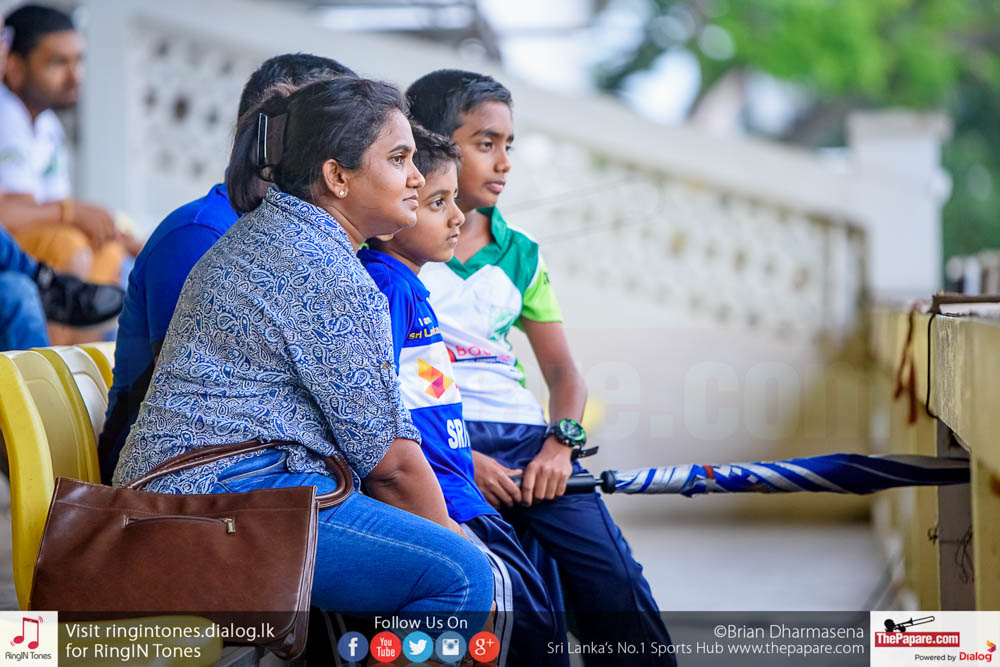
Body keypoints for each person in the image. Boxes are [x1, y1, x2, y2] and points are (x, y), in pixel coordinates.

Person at [112, 77, 493, 625]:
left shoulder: (275, 236)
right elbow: (391, 466)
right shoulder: (322, 269)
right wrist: (456, 539)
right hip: (210, 505)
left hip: (207, 492)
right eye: (399, 158)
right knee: (463, 577)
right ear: (337, 177)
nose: (416, 176)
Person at [407, 70, 676, 664]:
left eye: (509, 145)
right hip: (440, 444)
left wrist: (560, 445)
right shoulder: (392, 247)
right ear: (433, 144)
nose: (504, 163)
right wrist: (458, 460)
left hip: (531, 445)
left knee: (616, 585)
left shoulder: (523, 252)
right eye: (486, 143)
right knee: (517, 609)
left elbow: (564, 374)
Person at [97, 53, 357, 484]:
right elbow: (195, 402)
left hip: (265, 464)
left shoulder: (302, 238)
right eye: (344, 133)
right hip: (184, 479)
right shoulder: (200, 234)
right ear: (284, 134)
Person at [359, 123, 565, 666]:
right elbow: (376, 416)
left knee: (537, 621)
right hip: (442, 503)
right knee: (525, 634)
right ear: (396, 211)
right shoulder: (386, 288)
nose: (457, 217)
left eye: (454, 200)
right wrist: (443, 522)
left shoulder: (410, 286)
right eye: (437, 203)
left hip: (459, 492)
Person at [0, 12, 122, 352]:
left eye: (78, 61)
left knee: (108, 252)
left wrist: (130, 238)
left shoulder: (48, 126)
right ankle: (51, 365)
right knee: (68, 248)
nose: (74, 76)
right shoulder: (6, 113)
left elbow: (44, 207)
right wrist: (69, 212)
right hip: (17, 247)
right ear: (15, 66)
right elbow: (9, 213)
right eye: (58, 62)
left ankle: (72, 371)